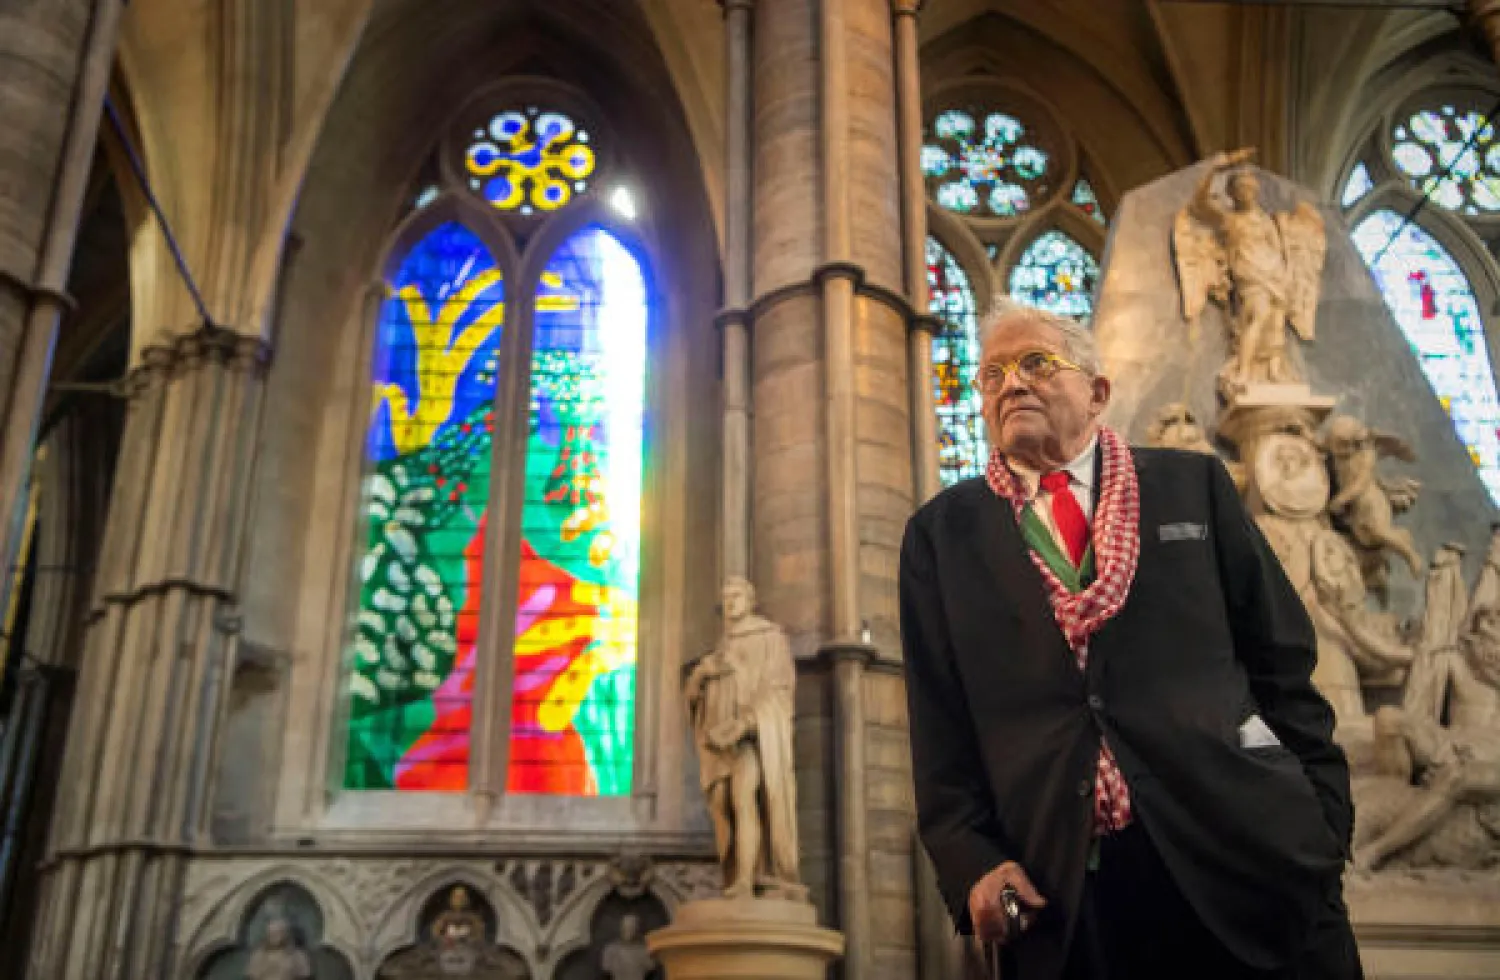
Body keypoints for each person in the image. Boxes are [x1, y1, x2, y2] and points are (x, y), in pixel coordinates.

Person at [899, 302, 1361, 979]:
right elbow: (940, 733)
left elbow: (1283, 664)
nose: (1011, 384)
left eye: (1036, 363)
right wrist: (973, 863)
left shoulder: (1192, 487)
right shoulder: (942, 537)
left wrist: (1321, 827)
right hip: (1068, 896)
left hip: (1245, 859)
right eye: (992, 373)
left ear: (1098, 392)